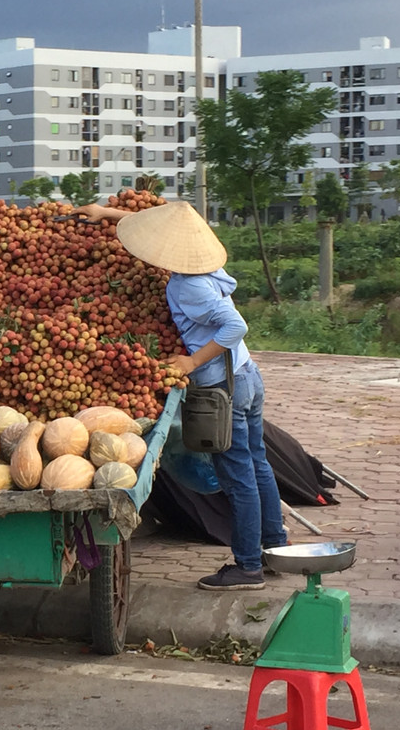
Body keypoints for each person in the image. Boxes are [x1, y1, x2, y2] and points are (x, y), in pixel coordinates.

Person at [76, 200, 288, 590]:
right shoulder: (208, 270)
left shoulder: (186, 285)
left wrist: (192, 361)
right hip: (247, 376)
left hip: (222, 386)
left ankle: (248, 566)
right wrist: (107, 213)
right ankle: (275, 548)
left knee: (237, 476)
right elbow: (149, 230)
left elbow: (235, 327)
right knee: (257, 465)